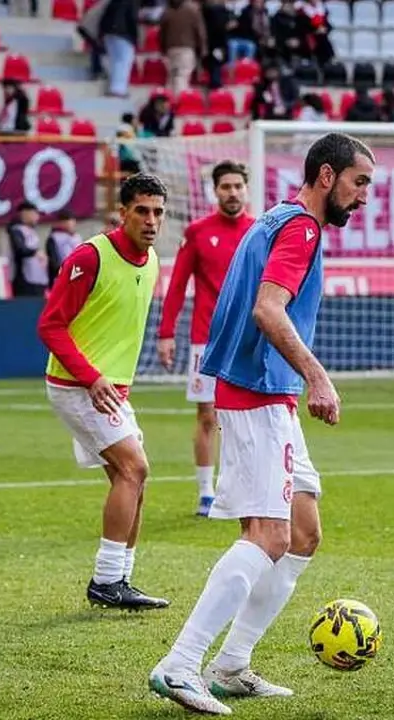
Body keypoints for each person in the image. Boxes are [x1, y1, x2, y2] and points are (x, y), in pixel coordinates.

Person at [148, 132, 374, 715]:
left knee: (303, 533)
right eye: (359, 183)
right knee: (269, 536)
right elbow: (267, 309)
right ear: (328, 177)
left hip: (268, 393)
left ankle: (231, 664)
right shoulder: (300, 228)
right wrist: (318, 376)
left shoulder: (276, 216)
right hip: (255, 396)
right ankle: (180, 663)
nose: (364, 197)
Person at [37, 173, 171, 611]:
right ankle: (106, 579)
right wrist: (92, 377)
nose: (151, 221)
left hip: (110, 391)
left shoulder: (151, 262)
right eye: (142, 211)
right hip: (77, 386)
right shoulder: (90, 257)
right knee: (135, 468)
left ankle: (121, 579)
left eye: (158, 213)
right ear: (123, 212)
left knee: (133, 478)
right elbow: (50, 325)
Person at [156, 161, 255, 518]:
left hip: (248, 339)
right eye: (225, 186)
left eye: (237, 186)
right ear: (215, 191)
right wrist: (166, 333)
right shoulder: (198, 231)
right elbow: (178, 284)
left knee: (245, 416)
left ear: (246, 189)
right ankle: (205, 491)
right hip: (207, 341)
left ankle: (240, 487)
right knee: (207, 416)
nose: (232, 192)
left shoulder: (258, 231)